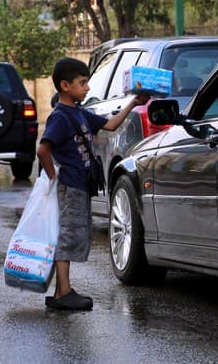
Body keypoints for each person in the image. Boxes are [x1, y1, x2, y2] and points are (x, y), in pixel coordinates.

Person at [36, 57, 149, 311]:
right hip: (70, 185)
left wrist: (133, 103)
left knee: (72, 233)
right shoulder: (60, 117)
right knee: (68, 235)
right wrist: (55, 179)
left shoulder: (79, 113)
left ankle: (60, 292)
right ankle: (63, 293)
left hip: (79, 185)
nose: (87, 88)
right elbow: (43, 150)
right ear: (65, 85)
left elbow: (110, 124)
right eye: (82, 82)